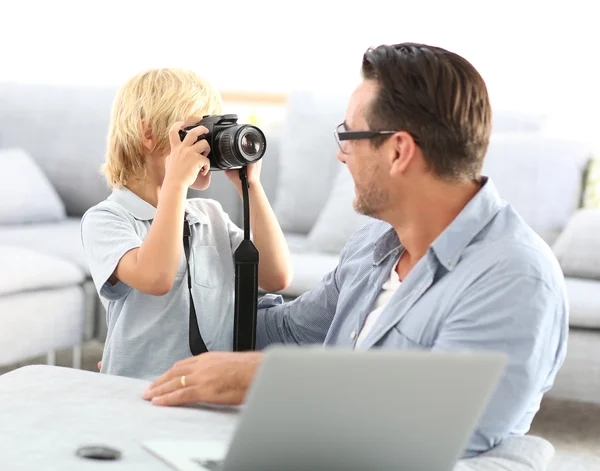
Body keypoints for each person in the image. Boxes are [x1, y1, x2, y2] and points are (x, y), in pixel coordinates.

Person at [143, 44, 568, 457]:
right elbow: (289, 332)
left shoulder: (514, 277)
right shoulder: (374, 245)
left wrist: (271, 380)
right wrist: (159, 323)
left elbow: (454, 429)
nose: (340, 155)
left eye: (348, 136)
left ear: (399, 151)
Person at [81, 68, 292, 380]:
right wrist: (176, 184)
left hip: (206, 389)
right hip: (134, 390)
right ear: (148, 133)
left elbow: (276, 276)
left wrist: (251, 186)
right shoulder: (107, 219)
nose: (210, 145)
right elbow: (156, 277)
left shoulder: (209, 215)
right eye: (199, 132)